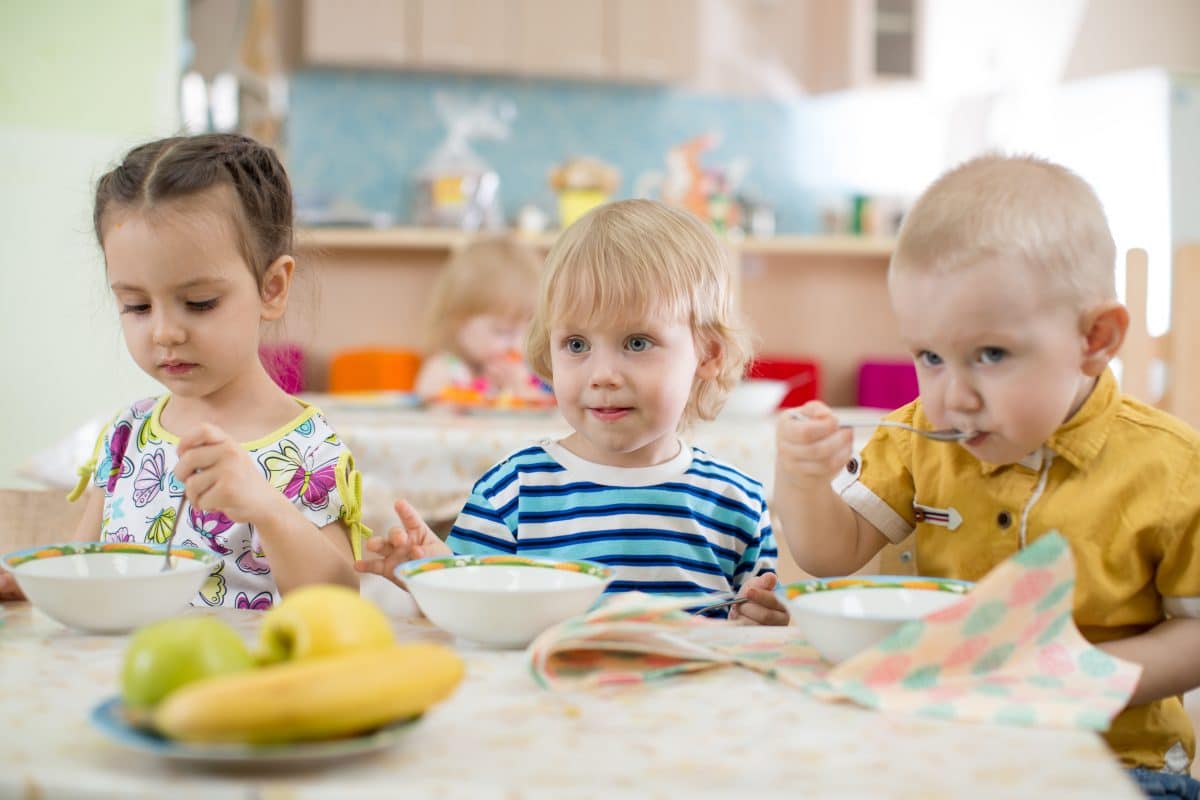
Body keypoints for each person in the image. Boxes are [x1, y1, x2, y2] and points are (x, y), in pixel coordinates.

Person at [775, 154, 1200, 794]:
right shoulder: (918, 439)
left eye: (990, 355)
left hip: (1117, 759)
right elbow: (832, 555)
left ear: (1095, 339)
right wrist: (807, 481)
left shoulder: (1169, 467)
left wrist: (1085, 673)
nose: (952, 398)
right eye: (930, 356)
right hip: (947, 739)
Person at [359, 199, 788, 624]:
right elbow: (473, 614)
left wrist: (759, 621)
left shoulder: (738, 503)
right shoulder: (513, 492)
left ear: (708, 354)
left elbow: (752, 625)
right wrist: (435, 574)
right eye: (577, 345)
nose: (602, 375)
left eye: (637, 342)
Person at [0, 133, 369, 608]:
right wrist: (34, 582)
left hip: (244, 679)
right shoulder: (127, 433)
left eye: (199, 303)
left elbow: (340, 599)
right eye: (136, 305)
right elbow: (85, 563)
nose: (165, 332)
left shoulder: (305, 449)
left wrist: (266, 508)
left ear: (272, 288)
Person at [414, 236, 548, 403]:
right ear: (458, 323)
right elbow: (428, 408)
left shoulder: (527, 373)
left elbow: (548, 414)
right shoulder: (446, 369)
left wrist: (519, 390)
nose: (517, 345)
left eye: (530, 331)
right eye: (503, 331)